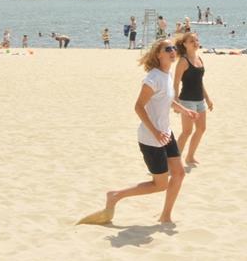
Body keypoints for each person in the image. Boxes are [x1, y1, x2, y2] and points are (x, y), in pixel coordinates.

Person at [85, 39, 198, 225]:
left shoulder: (167, 75)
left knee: (178, 174)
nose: (173, 52)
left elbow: (167, 99)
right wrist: (155, 132)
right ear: (158, 54)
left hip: (166, 134)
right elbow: (138, 107)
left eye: (174, 49)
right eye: (168, 49)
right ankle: (115, 195)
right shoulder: (152, 78)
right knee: (160, 185)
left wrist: (184, 110)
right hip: (151, 139)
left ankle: (165, 216)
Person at [174, 32, 214, 166]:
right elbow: (175, 83)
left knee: (201, 128)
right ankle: (174, 161)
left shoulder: (199, 59)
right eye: (192, 41)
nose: (196, 42)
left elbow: (199, 82)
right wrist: (176, 102)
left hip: (200, 101)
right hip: (187, 101)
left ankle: (190, 157)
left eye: (197, 40)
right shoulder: (183, 61)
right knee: (187, 131)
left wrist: (207, 99)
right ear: (185, 44)